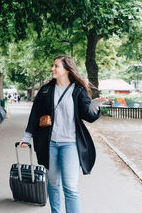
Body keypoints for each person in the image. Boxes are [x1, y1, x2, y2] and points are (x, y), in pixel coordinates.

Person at [19, 56, 107, 213]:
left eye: (56, 66)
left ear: (67, 69)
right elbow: (35, 115)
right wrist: (26, 137)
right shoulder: (46, 90)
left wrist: (95, 105)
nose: (52, 69)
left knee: (70, 186)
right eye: (52, 66)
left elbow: (89, 116)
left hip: (71, 143)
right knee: (52, 183)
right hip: (49, 143)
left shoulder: (78, 91)